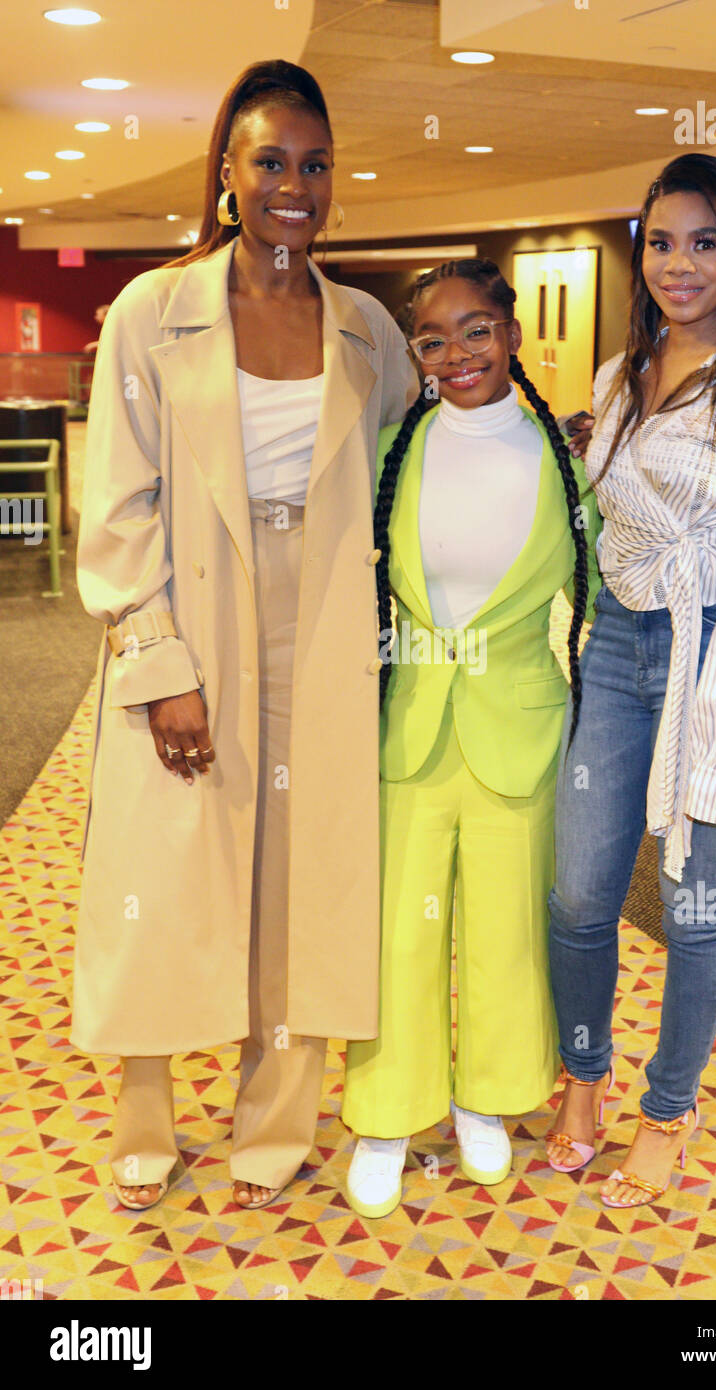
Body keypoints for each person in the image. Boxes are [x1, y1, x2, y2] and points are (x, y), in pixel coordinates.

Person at [72, 60, 417, 1211]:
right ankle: (145, 1117)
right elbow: (117, 501)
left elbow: (405, 476)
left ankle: (274, 1120)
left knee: (302, 876)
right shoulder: (150, 312)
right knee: (167, 869)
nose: (294, 185)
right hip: (193, 605)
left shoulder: (365, 328)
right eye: (270, 160)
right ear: (226, 171)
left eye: (315, 165)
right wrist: (159, 661)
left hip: (320, 618)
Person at [545, 153, 716, 1208]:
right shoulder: (619, 377)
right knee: (575, 891)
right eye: (660, 241)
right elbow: (606, 522)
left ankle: (667, 1108)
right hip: (619, 643)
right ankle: (583, 1075)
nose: (678, 264)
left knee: (690, 899)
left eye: (702, 242)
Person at [340, 258, 602, 1218]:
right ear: (416, 354)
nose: (457, 355)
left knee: (504, 934)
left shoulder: (565, 463)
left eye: (477, 330)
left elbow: (604, 600)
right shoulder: (391, 456)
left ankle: (484, 1097)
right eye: (434, 341)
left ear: (514, 333)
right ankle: (384, 1111)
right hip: (406, 730)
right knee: (398, 938)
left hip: (521, 733)